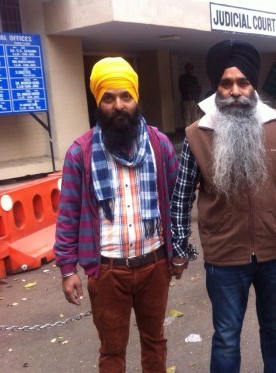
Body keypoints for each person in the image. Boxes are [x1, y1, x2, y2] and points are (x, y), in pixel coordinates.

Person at [170, 39, 276, 373]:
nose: (235, 91)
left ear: (253, 85)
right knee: (227, 337)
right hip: (224, 256)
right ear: (216, 88)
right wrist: (179, 246)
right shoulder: (196, 134)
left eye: (243, 82)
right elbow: (181, 196)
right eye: (226, 83)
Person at [53, 57, 181, 373]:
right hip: (107, 270)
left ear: (136, 99)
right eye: (109, 98)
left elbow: (177, 203)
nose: (119, 105)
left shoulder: (159, 145)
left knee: (155, 341)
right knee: (112, 351)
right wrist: (67, 268)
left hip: (154, 263)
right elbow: (68, 213)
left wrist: (177, 252)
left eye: (126, 96)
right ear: (99, 102)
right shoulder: (79, 152)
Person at [179, 62, 201, 126]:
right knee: (187, 117)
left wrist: (198, 98)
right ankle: (188, 133)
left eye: (191, 68)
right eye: (188, 68)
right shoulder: (182, 78)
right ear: (186, 69)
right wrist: (187, 94)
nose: (189, 70)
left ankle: (194, 132)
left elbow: (197, 89)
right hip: (186, 100)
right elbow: (181, 88)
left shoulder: (194, 78)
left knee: (195, 117)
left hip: (195, 99)